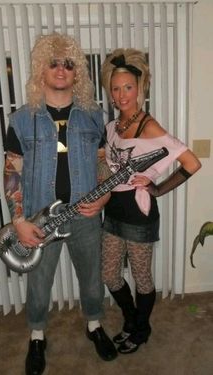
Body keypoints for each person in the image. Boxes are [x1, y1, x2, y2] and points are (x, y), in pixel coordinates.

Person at [3, 32, 117, 375]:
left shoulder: (93, 116)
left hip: (85, 214)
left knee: (92, 278)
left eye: (68, 63)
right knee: (39, 282)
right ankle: (37, 335)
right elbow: (12, 172)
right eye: (54, 63)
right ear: (41, 69)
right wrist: (19, 220)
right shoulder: (21, 120)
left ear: (77, 72)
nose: (61, 69)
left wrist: (105, 194)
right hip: (40, 218)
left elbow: (101, 162)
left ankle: (94, 326)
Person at [100, 49, 201, 354]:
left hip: (139, 213)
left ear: (139, 88)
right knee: (109, 274)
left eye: (128, 87)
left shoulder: (149, 127)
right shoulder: (114, 126)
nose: (122, 94)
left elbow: (191, 163)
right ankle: (133, 320)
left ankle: (141, 330)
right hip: (113, 210)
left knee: (142, 278)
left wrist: (157, 188)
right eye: (115, 89)